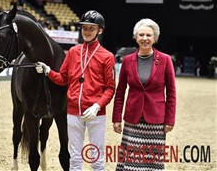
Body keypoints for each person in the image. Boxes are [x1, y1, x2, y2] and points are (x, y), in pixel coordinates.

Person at [35, 10, 116, 171]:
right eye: (84, 28)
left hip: (95, 114)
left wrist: (97, 106)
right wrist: (48, 71)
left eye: (91, 28)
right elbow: (62, 79)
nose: (86, 31)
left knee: (97, 158)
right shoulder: (73, 52)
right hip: (73, 112)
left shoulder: (107, 56)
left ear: (100, 30)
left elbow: (110, 88)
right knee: (75, 158)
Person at [112, 18, 176, 170]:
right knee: (131, 163)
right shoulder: (127, 61)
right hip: (133, 121)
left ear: (155, 38)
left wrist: (170, 120)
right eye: (141, 35)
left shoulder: (166, 60)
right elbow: (120, 92)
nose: (145, 39)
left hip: (156, 121)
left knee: (152, 164)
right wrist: (116, 118)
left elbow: (172, 93)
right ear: (136, 37)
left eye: (148, 35)